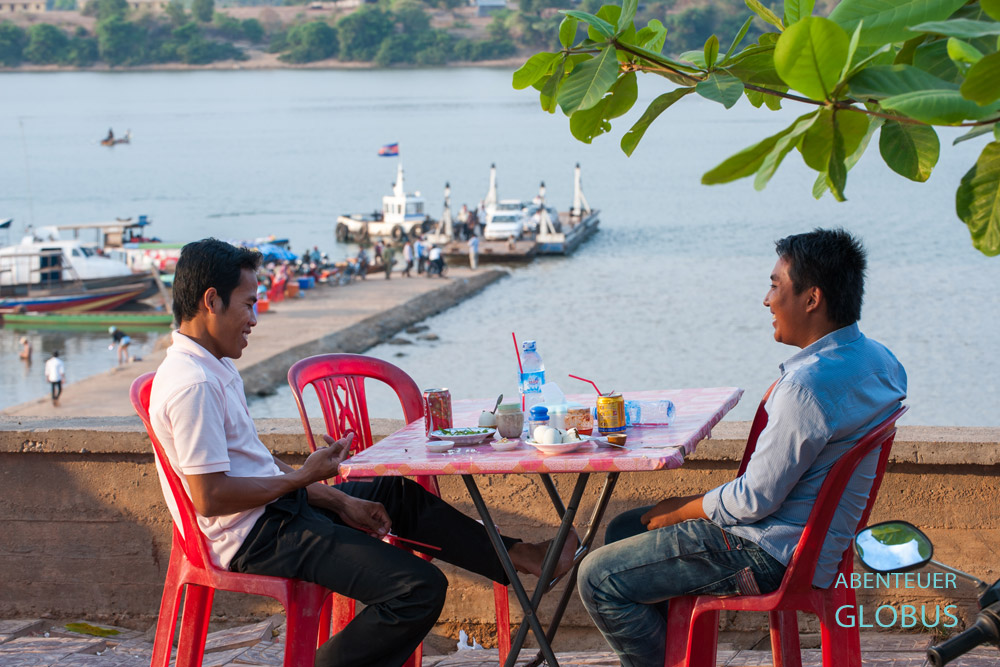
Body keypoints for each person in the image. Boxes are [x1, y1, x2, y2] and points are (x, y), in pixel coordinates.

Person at [148, 238, 575, 667]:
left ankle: (520, 556)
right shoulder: (193, 384)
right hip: (255, 537)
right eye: (248, 304)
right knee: (417, 589)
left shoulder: (215, 364)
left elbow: (252, 457)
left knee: (393, 494)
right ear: (210, 301)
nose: (255, 319)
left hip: (276, 510)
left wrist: (338, 497)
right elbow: (210, 496)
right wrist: (301, 479)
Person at [576, 229, 907, 667]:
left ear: (812, 299)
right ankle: (678, 653)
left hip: (768, 554)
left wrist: (680, 510)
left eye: (774, 285)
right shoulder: (880, 361)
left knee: (597, 577)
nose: (766, 300)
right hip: (820, 545)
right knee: (626, 529)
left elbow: (753, 499)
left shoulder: (805, 389)